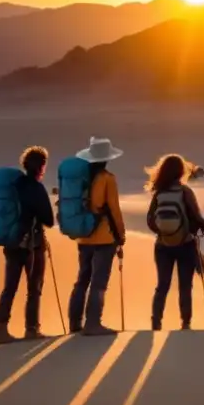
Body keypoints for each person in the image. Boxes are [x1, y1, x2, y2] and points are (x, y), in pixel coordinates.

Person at [0, 146, 55, 344]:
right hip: (32, 244)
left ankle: (1, 330)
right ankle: (31, 329)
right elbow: (48, 219)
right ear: (41, 166)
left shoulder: (16, 184)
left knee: (9, 287)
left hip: (12, 242)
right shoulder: (36, 188)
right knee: (34, 287)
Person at [68, 137, 126, 336]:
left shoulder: (81, 178)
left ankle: (75, 323)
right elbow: (114, 210)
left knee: (82, 279)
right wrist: (121, 235)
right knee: (99, 282)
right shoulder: (107, 178)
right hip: (104, 238)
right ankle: (93, 323)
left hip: (83, 237)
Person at [145, 153, 204, 331]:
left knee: (162, 285)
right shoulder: (185, 191)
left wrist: (163, 232)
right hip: (185, 244)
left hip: (162, 246)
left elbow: (150, 219)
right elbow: (195, 216)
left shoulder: (159, 193)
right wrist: (200, 226)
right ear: (181, 172)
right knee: (185, 286)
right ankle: (186, 323)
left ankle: (156, 322)